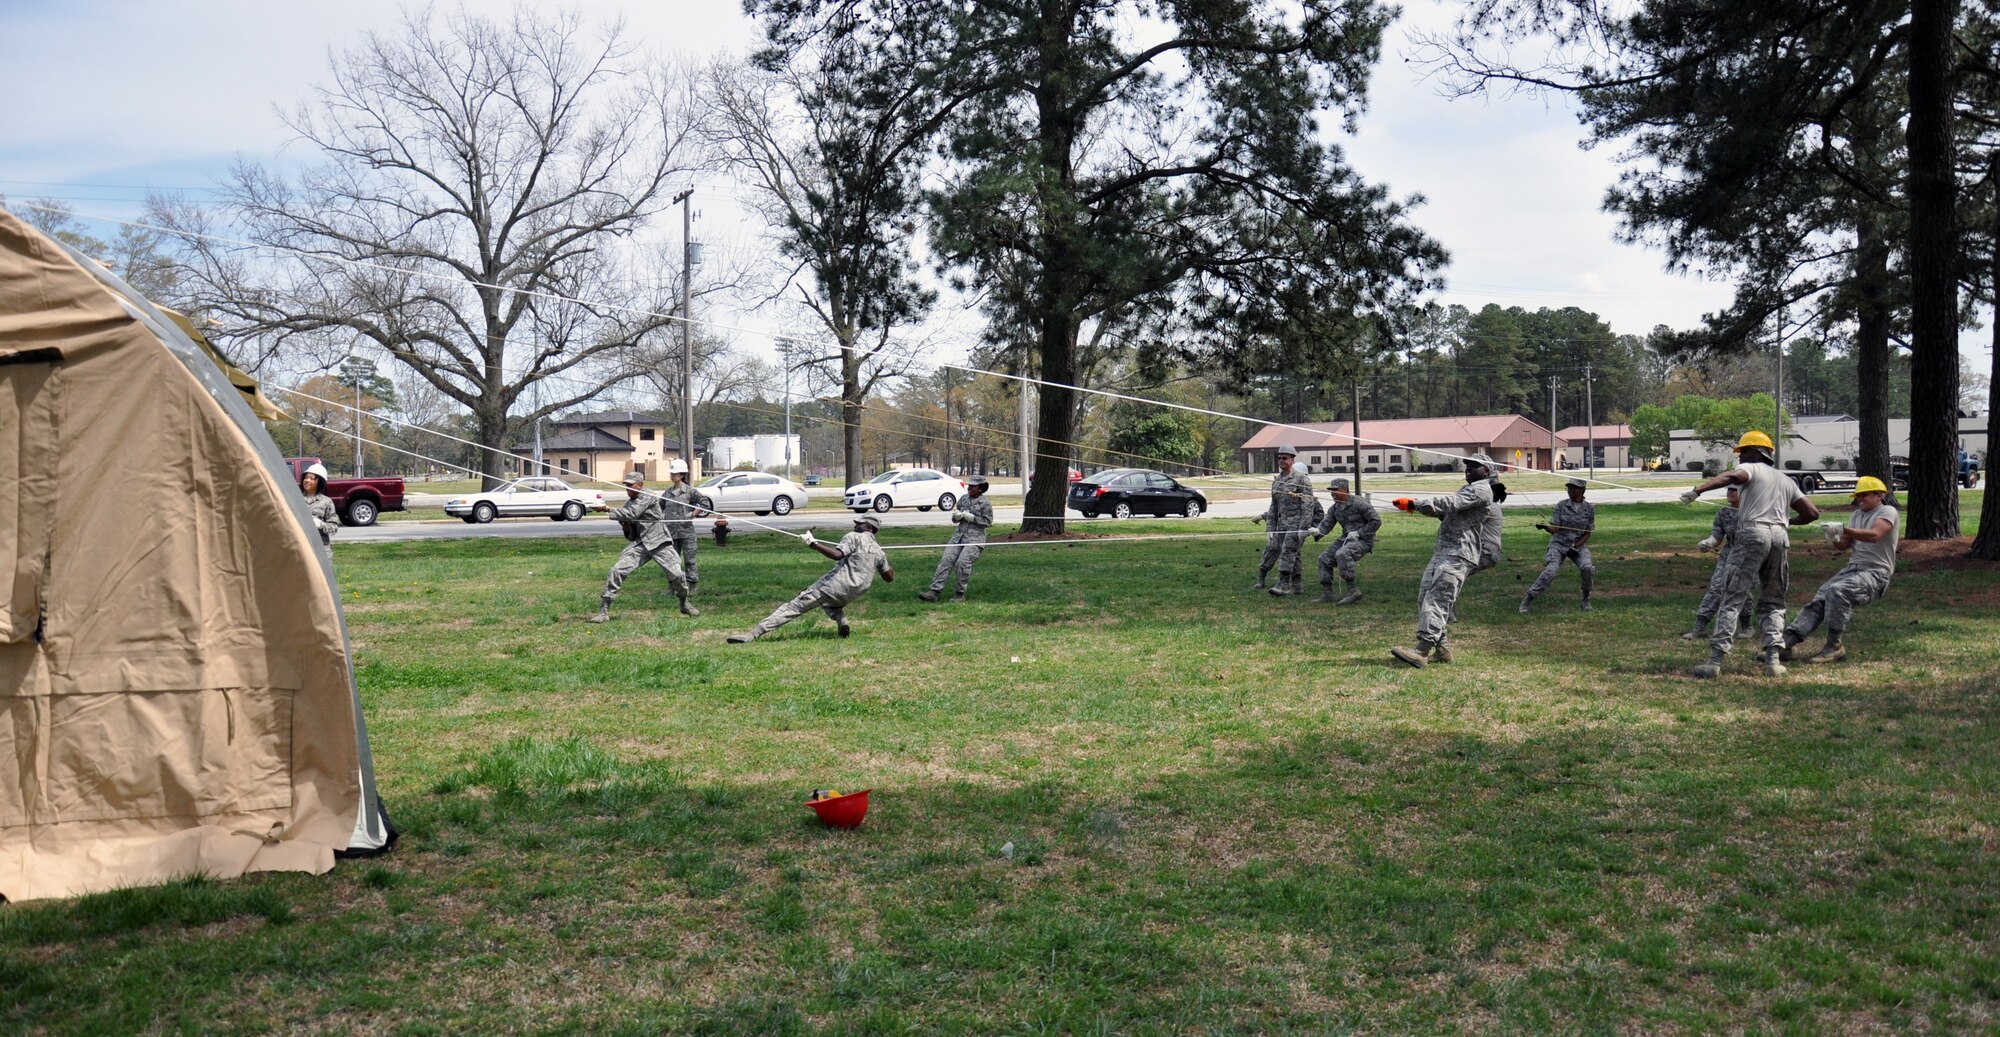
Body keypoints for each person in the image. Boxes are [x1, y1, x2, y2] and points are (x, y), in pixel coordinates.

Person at [1678, 430, 1821, 678]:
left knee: (1732, 597)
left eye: (1743, 451)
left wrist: (1697, 490)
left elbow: (1734, 475)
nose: (1740, 456)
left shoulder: (1752, 470)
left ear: (1757, 452)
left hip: (1752, 534)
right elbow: (1812, 513)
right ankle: (1773, 662)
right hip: (1780, 537)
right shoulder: (1786, 480)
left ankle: (1714, 662)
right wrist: (1786, 521)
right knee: (1774, 601)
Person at [1389, 454, 1501, 668]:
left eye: (1475, 466)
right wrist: (1415, 507)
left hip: (1459, 553)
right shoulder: (1469, 489)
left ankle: (1422, 650)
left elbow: (1449, 502)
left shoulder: (1481, 489)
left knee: (1438, 599)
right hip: (1445, 550)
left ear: (1486, 472)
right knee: (1425, 597)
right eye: (1467, 465)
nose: (1468, 468)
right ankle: (1442, 649)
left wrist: (1415, 503)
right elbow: (1447, 512)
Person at [1778, 476, 1898, 664]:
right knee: (1821, 597)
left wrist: (1844, 529)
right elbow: (1843, 546)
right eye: (1858, 496)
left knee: (1838, 591)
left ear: (1879, 495)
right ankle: (1786, 643)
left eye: (1864, 495)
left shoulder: (1887, 511)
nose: (1860, 499)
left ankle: (1834, 647)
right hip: (1853, 569)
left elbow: (1875, 535)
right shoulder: (1857, 515)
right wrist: (1834, 536)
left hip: (1876, 573)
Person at [729, 514, 894, 642]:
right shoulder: (879, 551)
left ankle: (753, 634)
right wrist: (881, 561)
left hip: (834, 586)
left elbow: (837, 555)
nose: (855, 525)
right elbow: (888, 578)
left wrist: (813, 544)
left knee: (795, 606)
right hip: (853, 593)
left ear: (869, 527)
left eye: (859, 523)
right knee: (831, 604)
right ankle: (842, 621)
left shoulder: (853, 536)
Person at [590, 471, 696, 623]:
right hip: (642, 544)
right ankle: (603, 611)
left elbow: (633, 512)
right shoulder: (629, 503)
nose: (628, 489)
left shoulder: (648, 494)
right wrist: (625, 525)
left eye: (631, 485)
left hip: (660, 542)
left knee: (678, 575)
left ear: (640, 485)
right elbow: (631, 535)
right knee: (617, 570)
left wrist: (608, 510)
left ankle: (684, 603)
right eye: (626, 486)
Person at [1683, 485, 1748, 640]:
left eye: (1735, 490)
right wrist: (1709, 543)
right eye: (1729, 490)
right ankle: (1699, 626)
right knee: (1716, 587)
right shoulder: (1723, 513)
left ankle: (1747, 626)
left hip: (1749, 556)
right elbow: (1717, 537)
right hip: (1728, 555)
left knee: (1742, 590)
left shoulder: (1755, 512)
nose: (1730, 492)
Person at [1521, 478, 1596, 612]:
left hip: (1578, 546)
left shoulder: (1589, 509)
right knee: (1551, 570)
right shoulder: (1561, 505)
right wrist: (1545, 527)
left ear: (1582, 490)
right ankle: (1527, 600)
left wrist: (1576, 546)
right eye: (1569, 488)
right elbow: (1554, 529)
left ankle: (1585, 600)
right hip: (1559, 544)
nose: (1570, 491)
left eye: (1574, 488)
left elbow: (1587, 532)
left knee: (1587, 568)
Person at [1252, 444, 1317, 595]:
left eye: (1284, 458)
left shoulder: (1301, 480)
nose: (1281, 461)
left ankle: (1283, 583)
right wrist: (1270, 527)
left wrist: (1303, 528)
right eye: (1279, 458)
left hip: (1296, 524)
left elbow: (1308, 505)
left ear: (1292, 460)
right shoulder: (1277, 481)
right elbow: (1274, 507)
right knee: (1285, 551)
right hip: (1281, 525)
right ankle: (1297, 586)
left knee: (1288, 551)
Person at [919, 475, 993, 602]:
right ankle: (934, 592)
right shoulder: (963, 499)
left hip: (975, 540)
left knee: (962, 563)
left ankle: (960, 594)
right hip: (958, 537)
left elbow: (988, 522)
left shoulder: (985, 503)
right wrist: (956, 517)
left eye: (973, 486)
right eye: (969, 485)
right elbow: (954, 518)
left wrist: (973, 518)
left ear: (980, 489)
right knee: (946, 560)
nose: (969, 488)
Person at [1310, 477, 1380, 604]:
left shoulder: (1359, 503)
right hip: (1345, 539)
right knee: (1324, 558)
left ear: (1345, 490)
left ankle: (1353, 591)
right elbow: (1327, 524)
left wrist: (1359, 533)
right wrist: (1317, 531)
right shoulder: (1334, 508)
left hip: (1363, 541)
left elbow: (1376, 521)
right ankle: (1327, 594)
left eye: (1335, 490)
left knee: (1342, 554)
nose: (1332, 493)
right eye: (1331, 490)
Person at [660, 458, 704, 596]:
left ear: (682, 475)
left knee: (690, 560)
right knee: (672, 562)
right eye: (672, 473)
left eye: (675, 474)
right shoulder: (667, 493)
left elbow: (705, 503)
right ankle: (673, 586)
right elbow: (658, 506)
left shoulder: (690, 491)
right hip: (671, 533)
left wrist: (693, 513)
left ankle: (692, 586)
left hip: (686, 532)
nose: (672, 476)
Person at [300, 462, 339, 546]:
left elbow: (334, 527)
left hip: (320, 548)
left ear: (319, 482)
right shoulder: (296, 499)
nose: (307, 480)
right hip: (301, 546)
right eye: (306, 477)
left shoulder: (326, 502)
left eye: (312, 478)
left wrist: (321, 525)